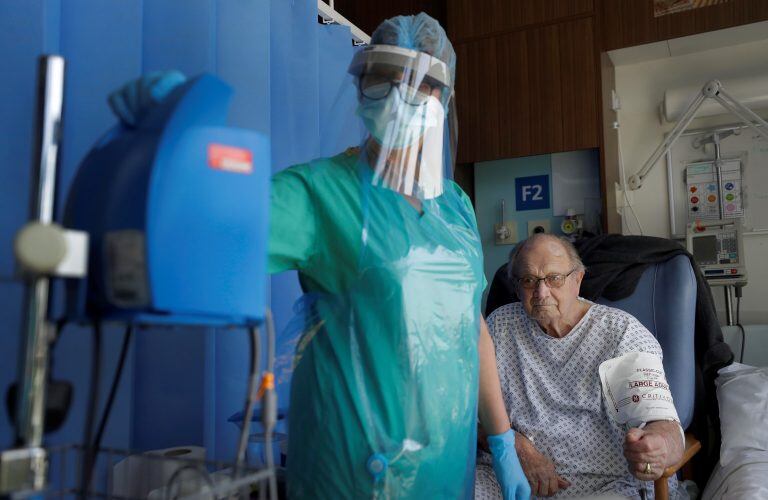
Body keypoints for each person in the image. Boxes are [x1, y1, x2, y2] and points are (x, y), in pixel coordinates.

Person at [108, 13, 529, 500]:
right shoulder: (319, 193)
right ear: (360, 89)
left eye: (418, 85)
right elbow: (202, 237)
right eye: (383, 81)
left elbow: (471, 328)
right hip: (352, 470)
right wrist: (164, 153)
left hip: (445, 468)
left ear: (443, 99)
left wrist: (502, 442)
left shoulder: (453, 206)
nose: (399, 96)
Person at [475, 234, 685, 499]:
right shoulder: (500, 325)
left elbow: (663, 424)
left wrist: (658, 447)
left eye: (554, 279)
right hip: (513, 475)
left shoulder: (621, 334)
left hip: (605, 485)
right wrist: (515, 446)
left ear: (578, 279)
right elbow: (468, 414)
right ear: (516, 286)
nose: (541, 293)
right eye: (529, 281)